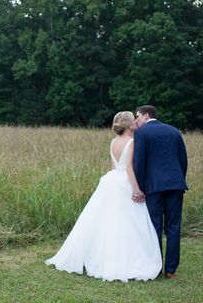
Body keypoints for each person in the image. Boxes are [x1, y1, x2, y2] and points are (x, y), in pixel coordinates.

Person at [45, 111, 162, 282]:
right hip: (125, 182)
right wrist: (137, 190)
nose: (137, 123)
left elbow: (115, 166)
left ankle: (103, 256)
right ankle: (127, 260)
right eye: (134, 121)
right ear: (130, 125)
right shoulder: (132, 142)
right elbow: (129, 168)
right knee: (127, 221)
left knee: (108, 220)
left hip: (111, 180)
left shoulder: (113, 141)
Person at [132, 105, 188, 279]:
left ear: (147, 116)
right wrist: (178, 179)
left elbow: (139, 162)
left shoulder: (141, 133)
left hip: (154, 187)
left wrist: (139, 187)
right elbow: (183, 159)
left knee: (154, 226)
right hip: (176, 185)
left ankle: (155, 268)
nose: (135, 121)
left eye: (137, 117)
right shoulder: (174, 131)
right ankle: (171, 270)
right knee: (173, 226)